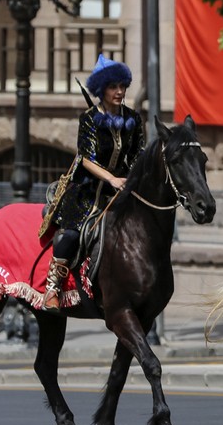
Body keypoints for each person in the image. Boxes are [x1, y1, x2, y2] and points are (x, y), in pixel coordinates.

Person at [40, 54, 145, 311]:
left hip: (121, 190)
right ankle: (52, 288)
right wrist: (111, 178)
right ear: (101, 90)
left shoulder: (134, 119)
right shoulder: (88, 119)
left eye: (122, 86)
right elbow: (86, 158)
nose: (119, 92)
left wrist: (132, 179)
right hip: (87, 190)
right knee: (72, 234)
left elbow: (138, 154)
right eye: (113, 87)